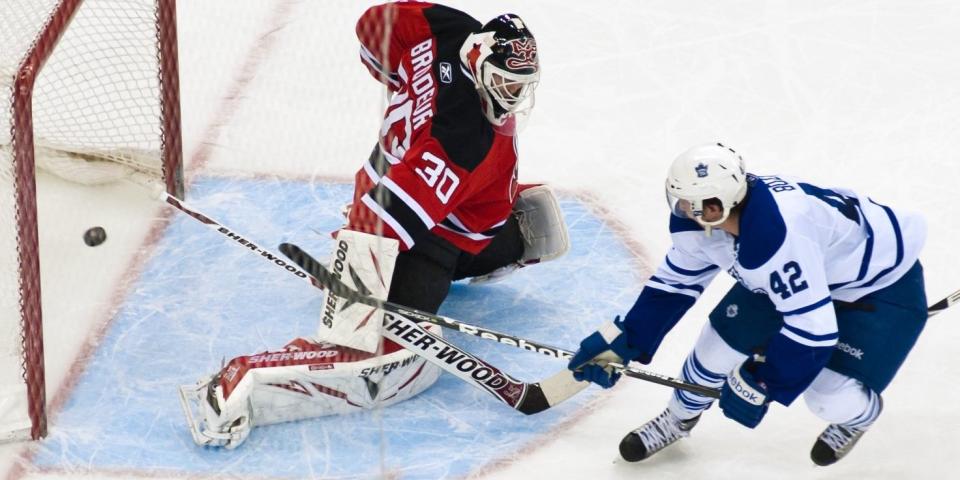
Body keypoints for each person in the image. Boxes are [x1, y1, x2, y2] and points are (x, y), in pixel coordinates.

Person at [177, 1, 569, 449]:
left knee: (404, 308)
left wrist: (402, 81)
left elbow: (373, 27)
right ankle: (241, 380)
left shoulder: (448, 29)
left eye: (522, 85)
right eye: (504, 82)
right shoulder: (460, 138)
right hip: (432, 222)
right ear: (477, 62)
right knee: (380, 337)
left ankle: (500, 240)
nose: (513, 97)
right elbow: (377, 224)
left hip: (424, 209)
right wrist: (352, 287)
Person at [567, 143, 927, 466]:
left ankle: (858, 417)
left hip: (878, 289)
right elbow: (674, 286)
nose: (680, 211)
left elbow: (814, 332)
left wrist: (766, 383)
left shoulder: (776, 237)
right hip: (800, 276)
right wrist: (629, 339)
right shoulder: (711, 224)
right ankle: (679, 418)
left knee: (828, 399)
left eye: (690, 204)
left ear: (716, 206)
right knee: (714, 348)